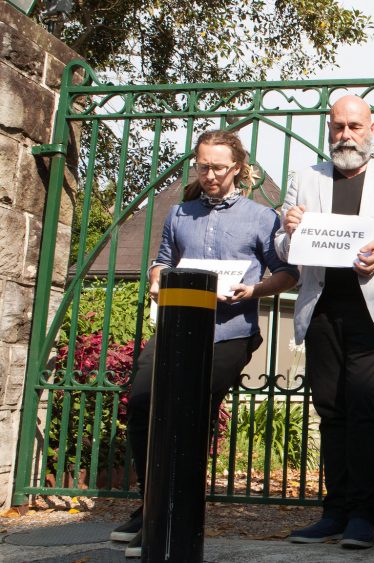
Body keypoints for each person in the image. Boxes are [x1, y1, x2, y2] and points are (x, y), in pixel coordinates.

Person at [110, 129, 299, 558]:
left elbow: (288, 274)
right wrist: (157, 280)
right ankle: (152, 504)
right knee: (142, 401)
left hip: (230, 332)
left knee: (189, 411)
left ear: (237, 168)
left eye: (218, 167)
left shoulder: (261, 218)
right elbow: (162, 263)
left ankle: (175, 513)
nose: (209, 175)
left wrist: (254, 291)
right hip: (177, 328)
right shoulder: (180, 214)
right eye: (202, 166)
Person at [276, 95, 374, 548]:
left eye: (354, 127)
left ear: (371, 129)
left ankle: (364, 512)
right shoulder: (305, 178)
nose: (345, 135)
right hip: (322, 309)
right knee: (330, 411)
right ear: (329, 129)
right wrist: (289, 231)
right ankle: (335, 510)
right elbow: (282, 250)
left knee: (364, 410)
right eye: (338, 126)